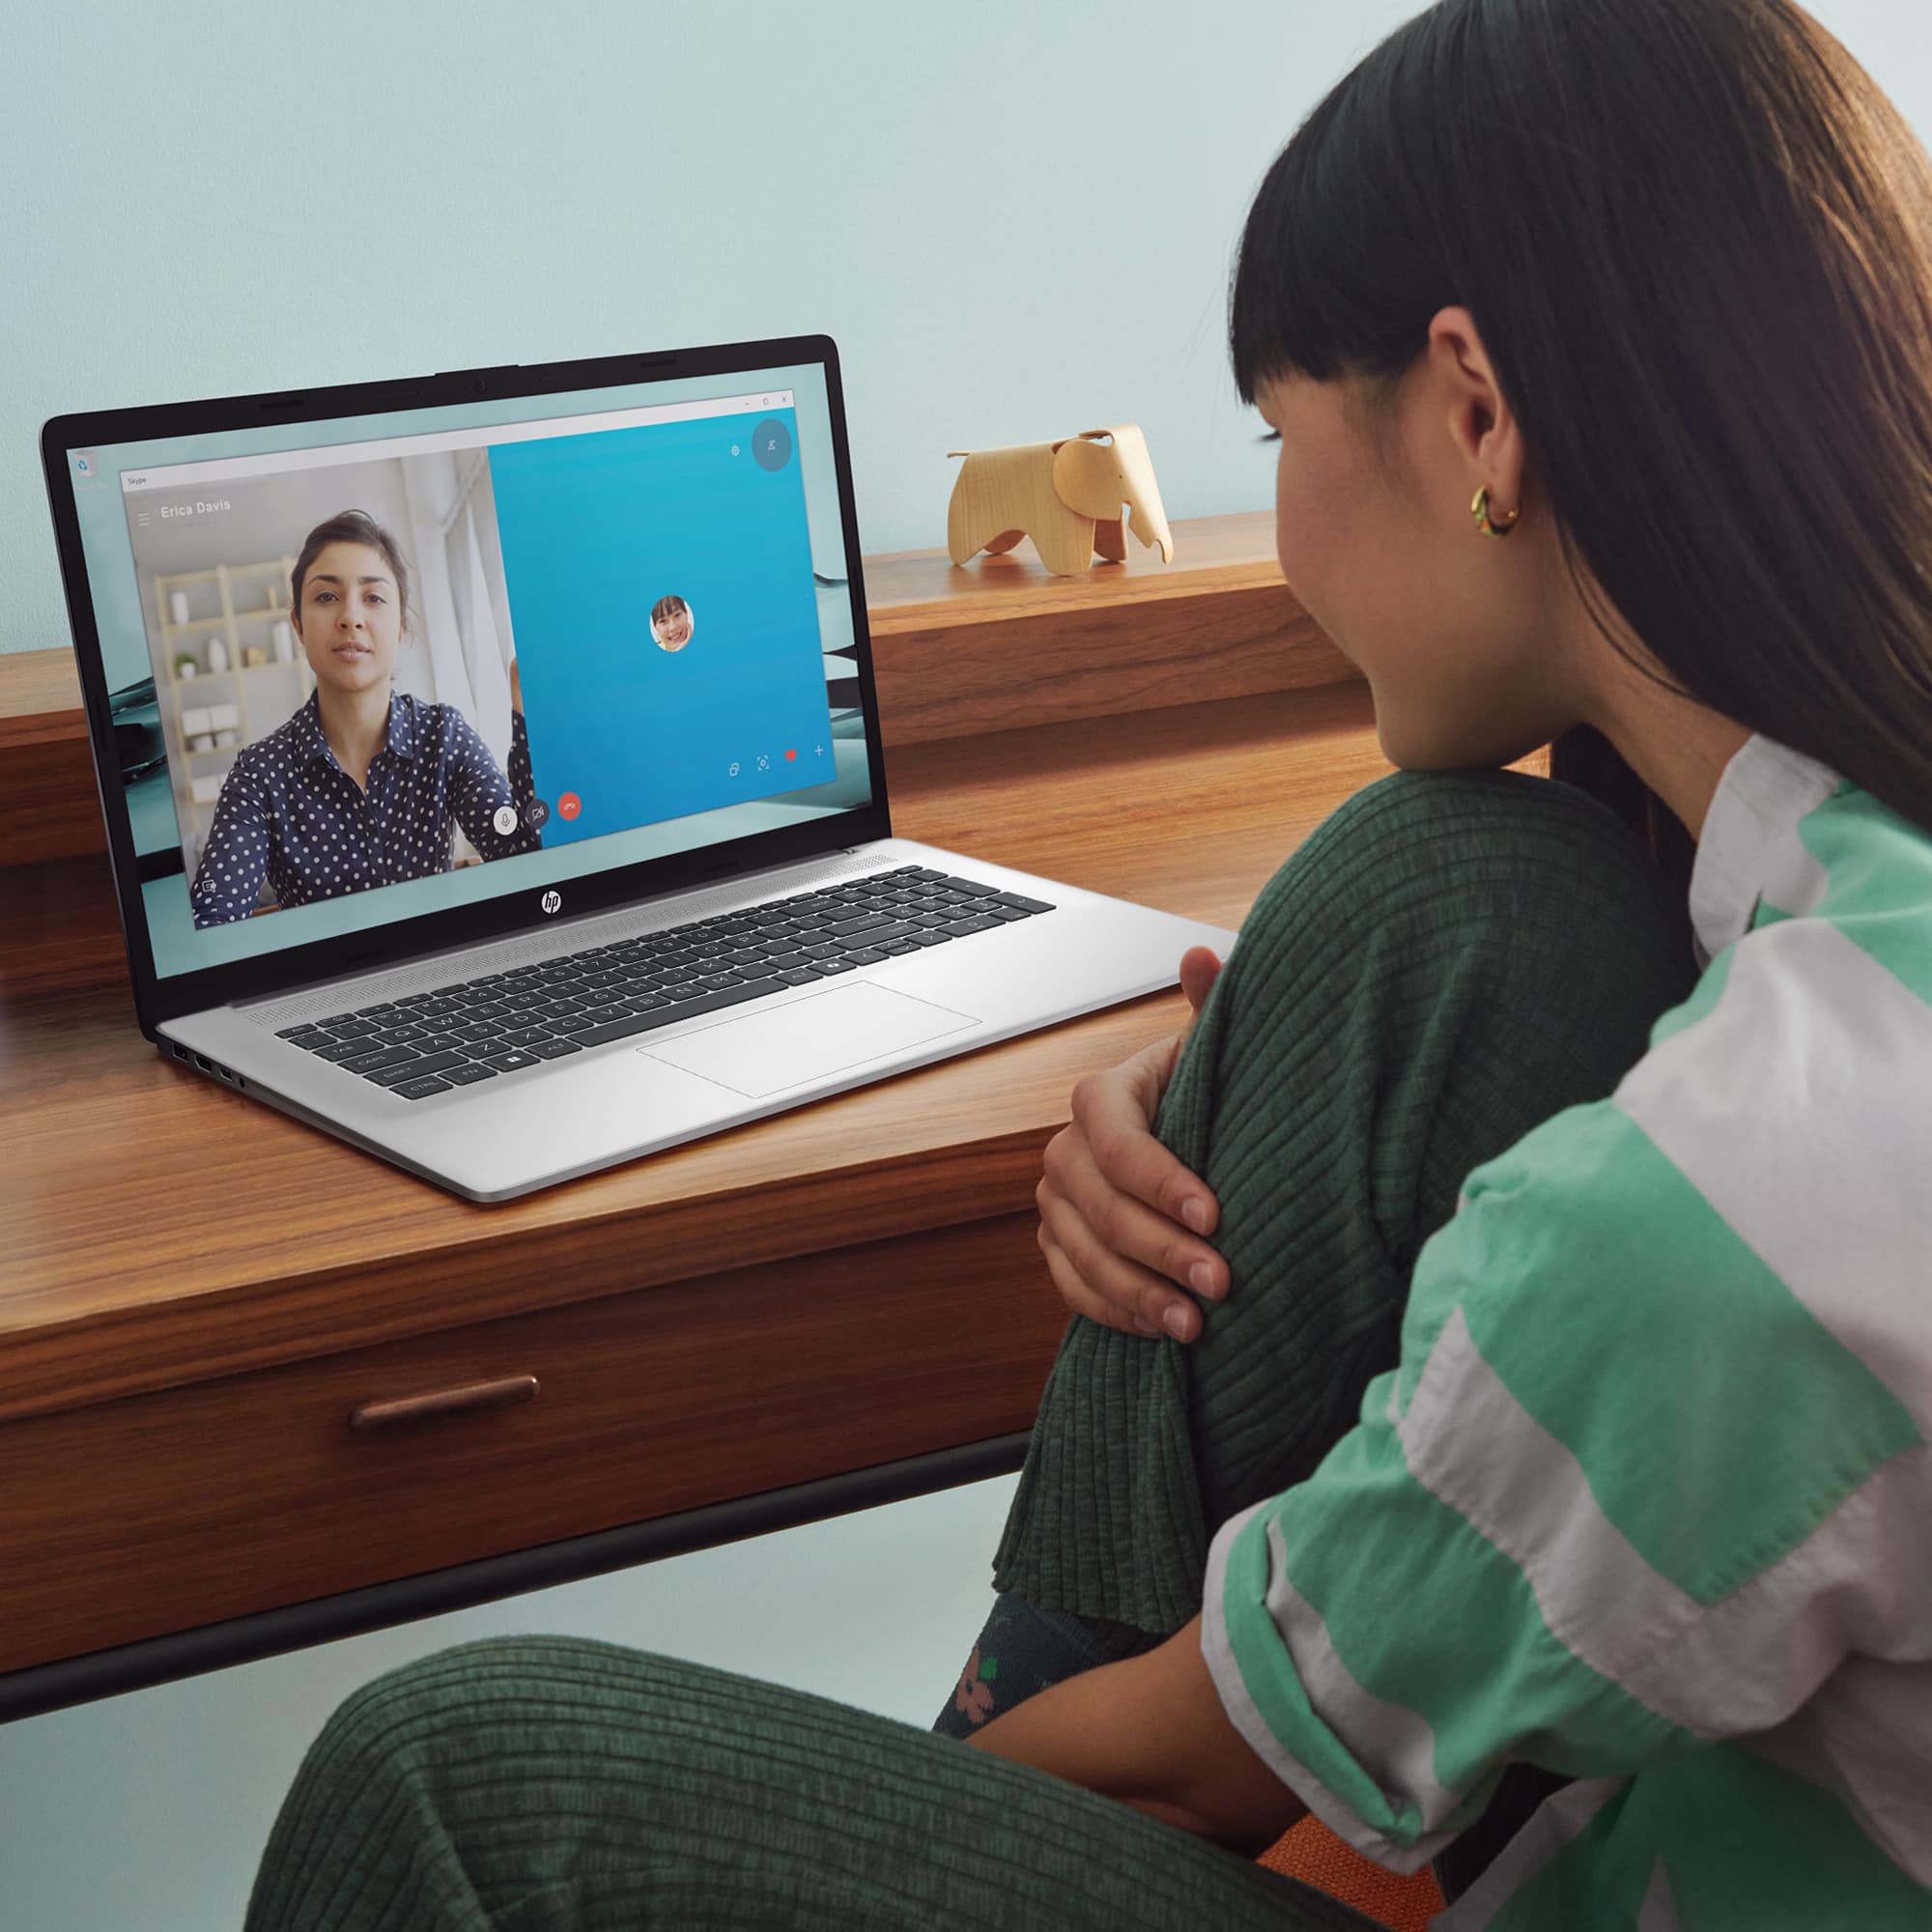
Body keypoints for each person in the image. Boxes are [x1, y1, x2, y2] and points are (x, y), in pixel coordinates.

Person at [242, 1, 1932, 1925]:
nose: (1280, 521)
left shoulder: (1744, 1196)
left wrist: (855, 1833)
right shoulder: (1826, 937)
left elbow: (1227, 1750)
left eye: (1276, 430)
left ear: (1475, 414)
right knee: (1443, 892)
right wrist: (1240, 1079)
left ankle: (959, 1734)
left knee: (444, 1775)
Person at [188, 509, 542, 927]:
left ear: (400, 628)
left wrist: (526, 718)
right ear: (298, 625)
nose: (350, 617)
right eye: (326, 597)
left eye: (373, 598)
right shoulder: (259, 775)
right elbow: (213, 923)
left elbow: (527, 862)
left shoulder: (444, 737)